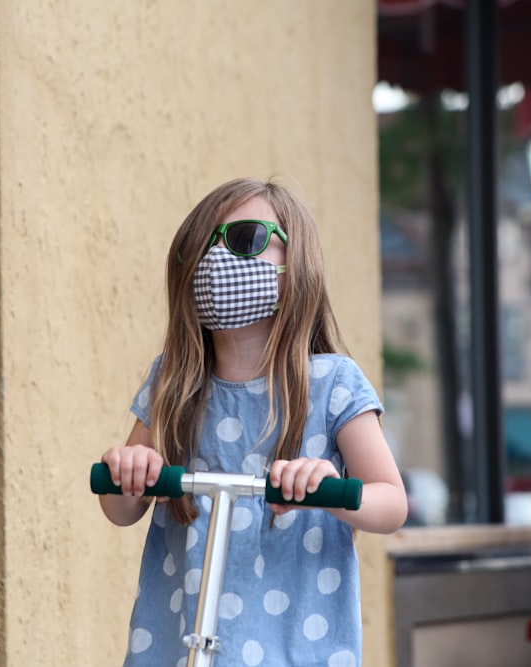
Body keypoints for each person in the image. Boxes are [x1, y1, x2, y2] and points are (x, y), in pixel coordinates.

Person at [99, 177, 408, 667]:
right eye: (202, 246)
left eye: (245, 240)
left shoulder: (331, 384)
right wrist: (130, 469)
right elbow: (119, 509)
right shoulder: (174, 382)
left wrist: (327, 485)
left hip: (296, 646)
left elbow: (391, 503)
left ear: (296, 262)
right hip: (180, 643)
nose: (218, 258)